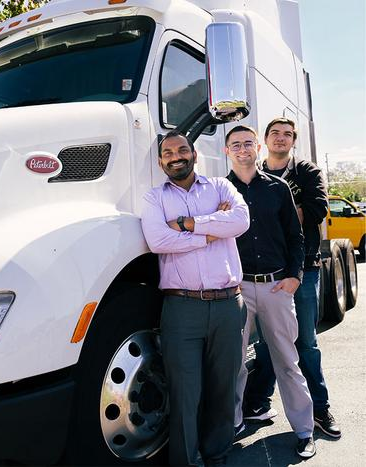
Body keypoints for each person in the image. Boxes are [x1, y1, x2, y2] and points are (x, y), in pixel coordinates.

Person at [141, 130, 249, 466]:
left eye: (182, 150)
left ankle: (217, 455)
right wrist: (211, 232)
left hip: (228, 305)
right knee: (185, 394)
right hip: (181, 308)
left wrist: (188, 223)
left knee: (222, 388)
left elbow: (241, 220)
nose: (176, 157)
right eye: (168, 152)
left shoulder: (221, 187)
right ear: (160, 162)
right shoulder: (154, 198)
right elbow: (158, 240)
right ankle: (187, 461)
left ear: (194, 154)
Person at [242, 117, 340, 438]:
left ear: (293, 141)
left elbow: (316, 209)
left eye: (287, 134)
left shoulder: (306, 172)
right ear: (265, 141)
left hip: (304, 268)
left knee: (306, 343)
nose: (281, 139)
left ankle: (320, 410)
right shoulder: (255, 175)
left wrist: (277, 212)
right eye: (275, 134)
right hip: (267, 274)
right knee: (269, 341)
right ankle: (257, 402)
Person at [226, 125, 316, 459]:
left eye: (248, 142)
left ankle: (305, 430)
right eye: (236, 144)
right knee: (234, 361)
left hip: (277, 286)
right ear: (227, 151)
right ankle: (232, 425)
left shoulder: (278, 188)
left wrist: (295, 276)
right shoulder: (220, 191)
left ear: (258, 147)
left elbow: (296, 237)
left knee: (287, 360)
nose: (243, 148)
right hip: (237, 289)